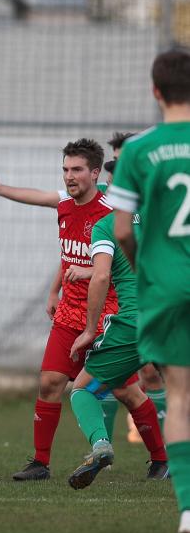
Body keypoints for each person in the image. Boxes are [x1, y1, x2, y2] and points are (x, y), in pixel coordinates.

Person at [0, 139, 136, 480]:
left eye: (76, 170)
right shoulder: (65, 205)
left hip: (107, 313)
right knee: (49, 383)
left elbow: (116, 263)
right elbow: (58, 234)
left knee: (127, 389)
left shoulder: (110, 212)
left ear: (96, 173)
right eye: (65, 170)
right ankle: (40, 463)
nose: (69, 177)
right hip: (70, 313)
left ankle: (160, 459)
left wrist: (90, 272)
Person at [108, 48, 190, 533]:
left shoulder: (138, 151)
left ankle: (187, 509)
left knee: (179, 396)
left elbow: (121, 232)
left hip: (166, 285)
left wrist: (145, 269)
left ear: (155, 91)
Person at [63, 210, 168, 489]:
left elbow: (101, 277)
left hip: (137, 321)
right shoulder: (167, 212)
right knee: (134, 390)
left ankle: (100, 444)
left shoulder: (108, 224)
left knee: (83, 388)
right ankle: (162, 461)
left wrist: (89, 330)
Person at [101, 132, 168, 443]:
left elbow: (126, 238)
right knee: (133, 377)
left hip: (153, 298)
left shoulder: (150, 198)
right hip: (128, 302)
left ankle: (163, 442)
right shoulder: (106, 199)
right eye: (114, 161)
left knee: (159, 373)